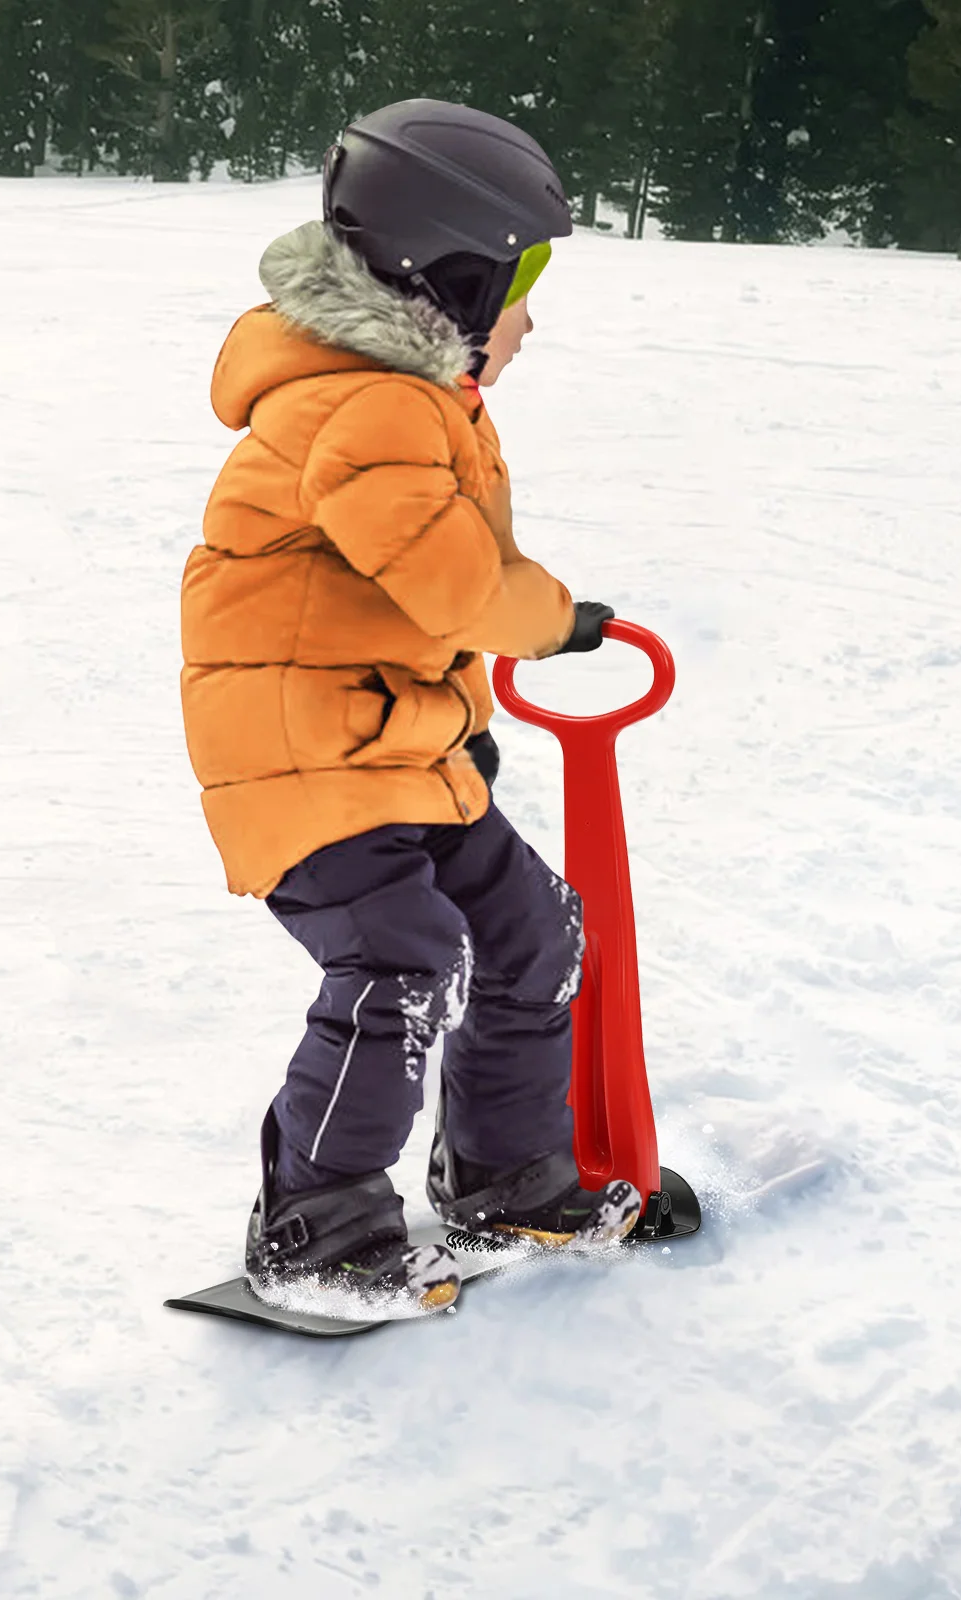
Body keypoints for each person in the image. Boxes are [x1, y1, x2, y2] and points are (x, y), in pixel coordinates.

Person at [181, 99, 640, 1315]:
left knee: (530, 928)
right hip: (303, 761)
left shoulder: (408, 396)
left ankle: (506, 1172)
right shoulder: (363, 404)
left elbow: (393, 601)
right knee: (402, 958)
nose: (533, 316)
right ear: (452, 278)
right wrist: (552, 619)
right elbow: (450, 581)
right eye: (522, 282)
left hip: (393, 745)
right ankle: (315, 1222)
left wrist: (468, 712)